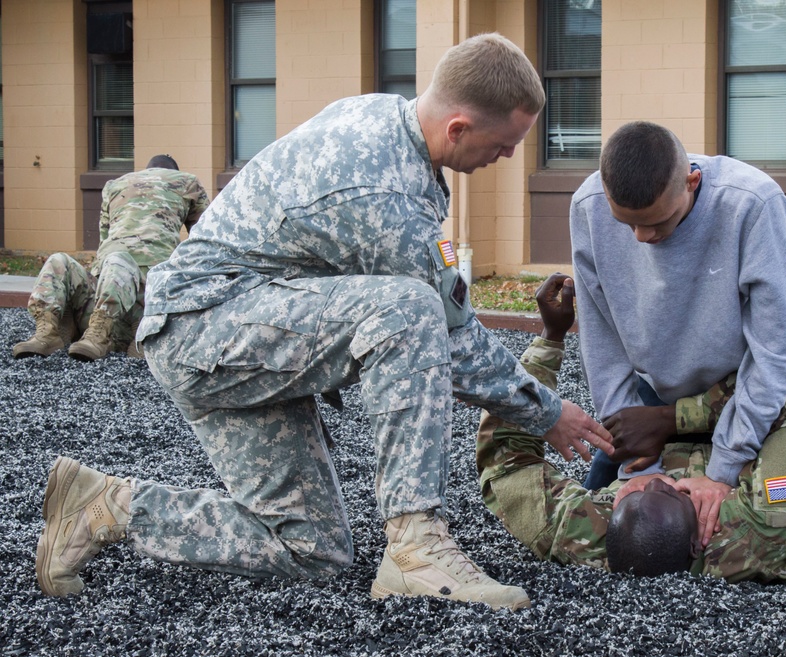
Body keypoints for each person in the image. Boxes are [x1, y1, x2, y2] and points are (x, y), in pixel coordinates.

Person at [35, 34, 612, 611]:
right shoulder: (376, 188)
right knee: (408, 309)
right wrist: (546, 410)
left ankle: (102, 506)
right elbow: (450, 333)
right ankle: (416, 545)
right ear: (458, 127)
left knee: (312, 549)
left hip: (251, 329)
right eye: (505, 143)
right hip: (206, 326)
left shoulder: (388, 118)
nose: (508, 156)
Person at [476, 274, 786, 581]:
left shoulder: (579, 532)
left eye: (635, 490)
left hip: (665, 506)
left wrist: (551, 338)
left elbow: (503, 464)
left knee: (616, 452)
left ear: (609, 514)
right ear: (704, 532)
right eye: (673, 489)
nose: (664, 477)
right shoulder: (771, 519)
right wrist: (680, 424)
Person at [570, 121, 786, 548]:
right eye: (627, 225)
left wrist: (723, 470)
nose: (642, 238)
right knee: (605, 529)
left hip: (783, 392)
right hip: (667, 398)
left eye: (658, 223)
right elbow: (603, 343)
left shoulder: (751, 203)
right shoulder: (587, 207)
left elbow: (777, 348)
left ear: (692, 183)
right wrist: (640, 469)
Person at [12, 155, 208, 361]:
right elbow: (204, 242)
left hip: (99, 298)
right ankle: (94, 335)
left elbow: (103, 242)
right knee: (119, 261)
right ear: (174, 171)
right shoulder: (188, 181)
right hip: (143, 307)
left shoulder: (114, 185)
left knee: (59, 261)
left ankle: (47, 333)